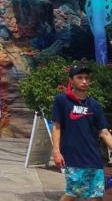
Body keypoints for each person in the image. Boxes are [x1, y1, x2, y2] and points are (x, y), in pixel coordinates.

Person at [52, 64, 112, 201]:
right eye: (80, 77)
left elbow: (105, 133)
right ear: (71, 80)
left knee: (96, 195)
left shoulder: (94, 105)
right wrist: (56, 151)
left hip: (94, 157)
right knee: (74, 193)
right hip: (73, 156)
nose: (84, 81)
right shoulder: (62, 100)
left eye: (86, 78)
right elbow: (56, 127)